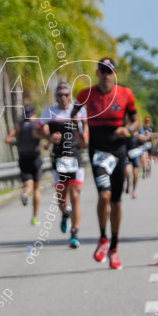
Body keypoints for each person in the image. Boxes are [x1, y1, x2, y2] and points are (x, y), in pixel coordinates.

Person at [71, 57, 139, 270]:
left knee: (116, 201)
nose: (106, 75)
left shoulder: (125, 93)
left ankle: (115, 247)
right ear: (98, 73)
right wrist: (80, 134)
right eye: (103, 71)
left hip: (118, 151)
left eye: (110, 71)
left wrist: (127, 130)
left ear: (115, 73)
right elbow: (73, 116)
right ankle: (103, 238)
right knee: (104, 195)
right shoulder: (85, 94)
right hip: (98, 152)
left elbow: (136, 121)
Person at [41, 82, 88, 248]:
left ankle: (75, 233)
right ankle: (65, 214)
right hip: (58, 158)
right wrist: (48, 138)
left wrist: (83, 134)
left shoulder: (79, 111)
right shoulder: (49, 112)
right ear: (55, 96)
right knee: (62, 198)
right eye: (60, 94)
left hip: (75, 157)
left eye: (66, 94)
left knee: (75, 195)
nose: (63, 97)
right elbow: (38, 130)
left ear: (71, 95)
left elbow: (85, 136)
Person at [6, 104, 43, 225]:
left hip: (23, 157)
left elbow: (8, 139)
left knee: (28, 185)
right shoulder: (37, 125)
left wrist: (17, 144)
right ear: (34, 113)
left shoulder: (18, 125)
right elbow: (45, 136)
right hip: (35, 157)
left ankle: (25, 193)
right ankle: (35, 217)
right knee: (37, 188)